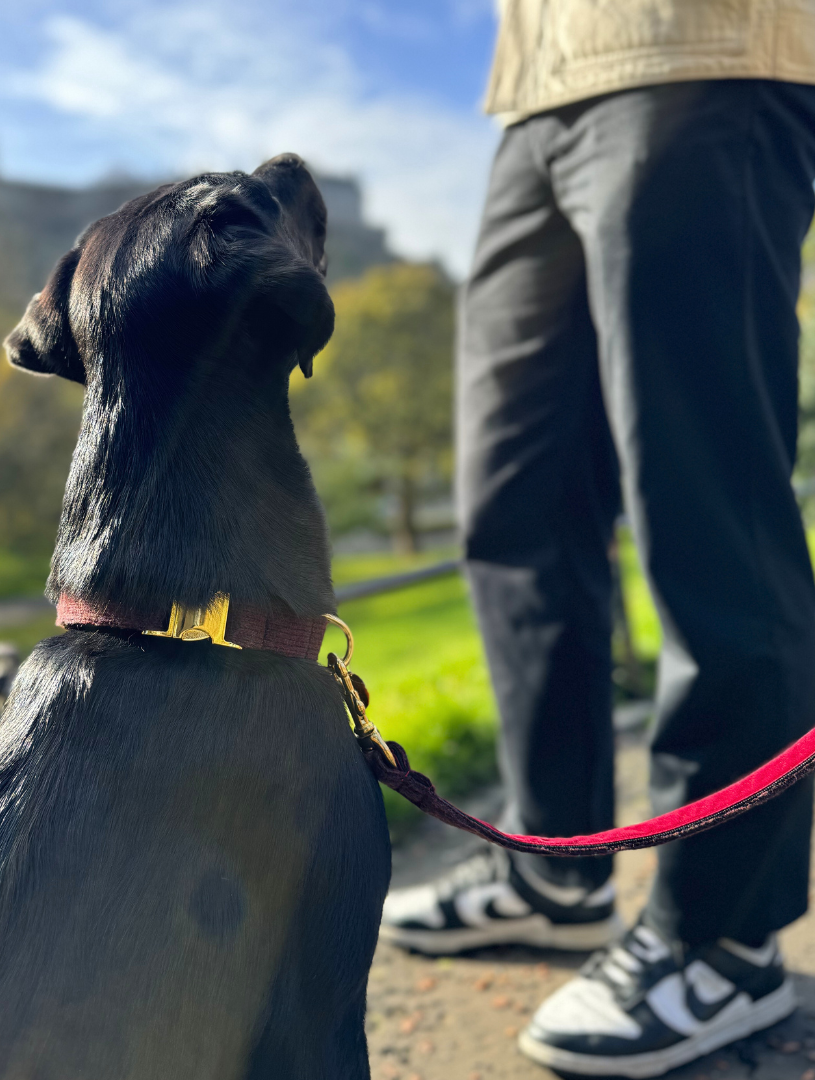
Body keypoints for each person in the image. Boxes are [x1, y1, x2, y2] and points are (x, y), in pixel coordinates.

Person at [381, 2, 815, 1075]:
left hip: (706, 52)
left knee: (703, 497)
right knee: (511, 501)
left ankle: (725, 936)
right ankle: (557, 868)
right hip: (534, 91)